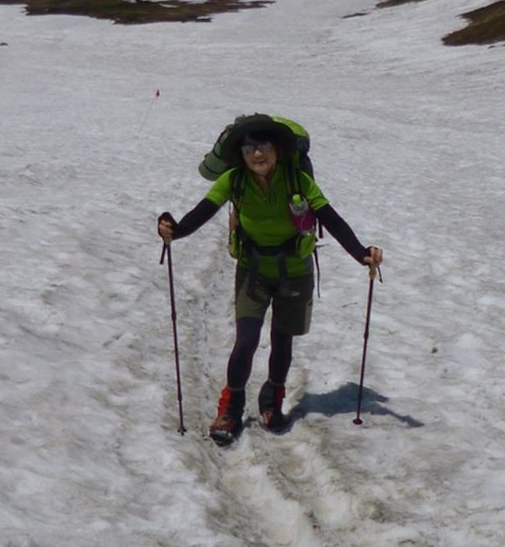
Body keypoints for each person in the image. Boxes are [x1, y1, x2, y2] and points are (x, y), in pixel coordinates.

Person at [158, 116, 383, 443]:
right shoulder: (234, 180)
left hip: (295, 271)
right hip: (253, 270)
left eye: (263, 145)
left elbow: (330, 218)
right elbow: (203, 211)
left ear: (277, 149)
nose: (256, 153)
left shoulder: (297, 180)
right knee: (246, 340)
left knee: (282, 341)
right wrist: (173, 230)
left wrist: (361, 252)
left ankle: (271, 399)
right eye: (248, 147)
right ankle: (231, 405)